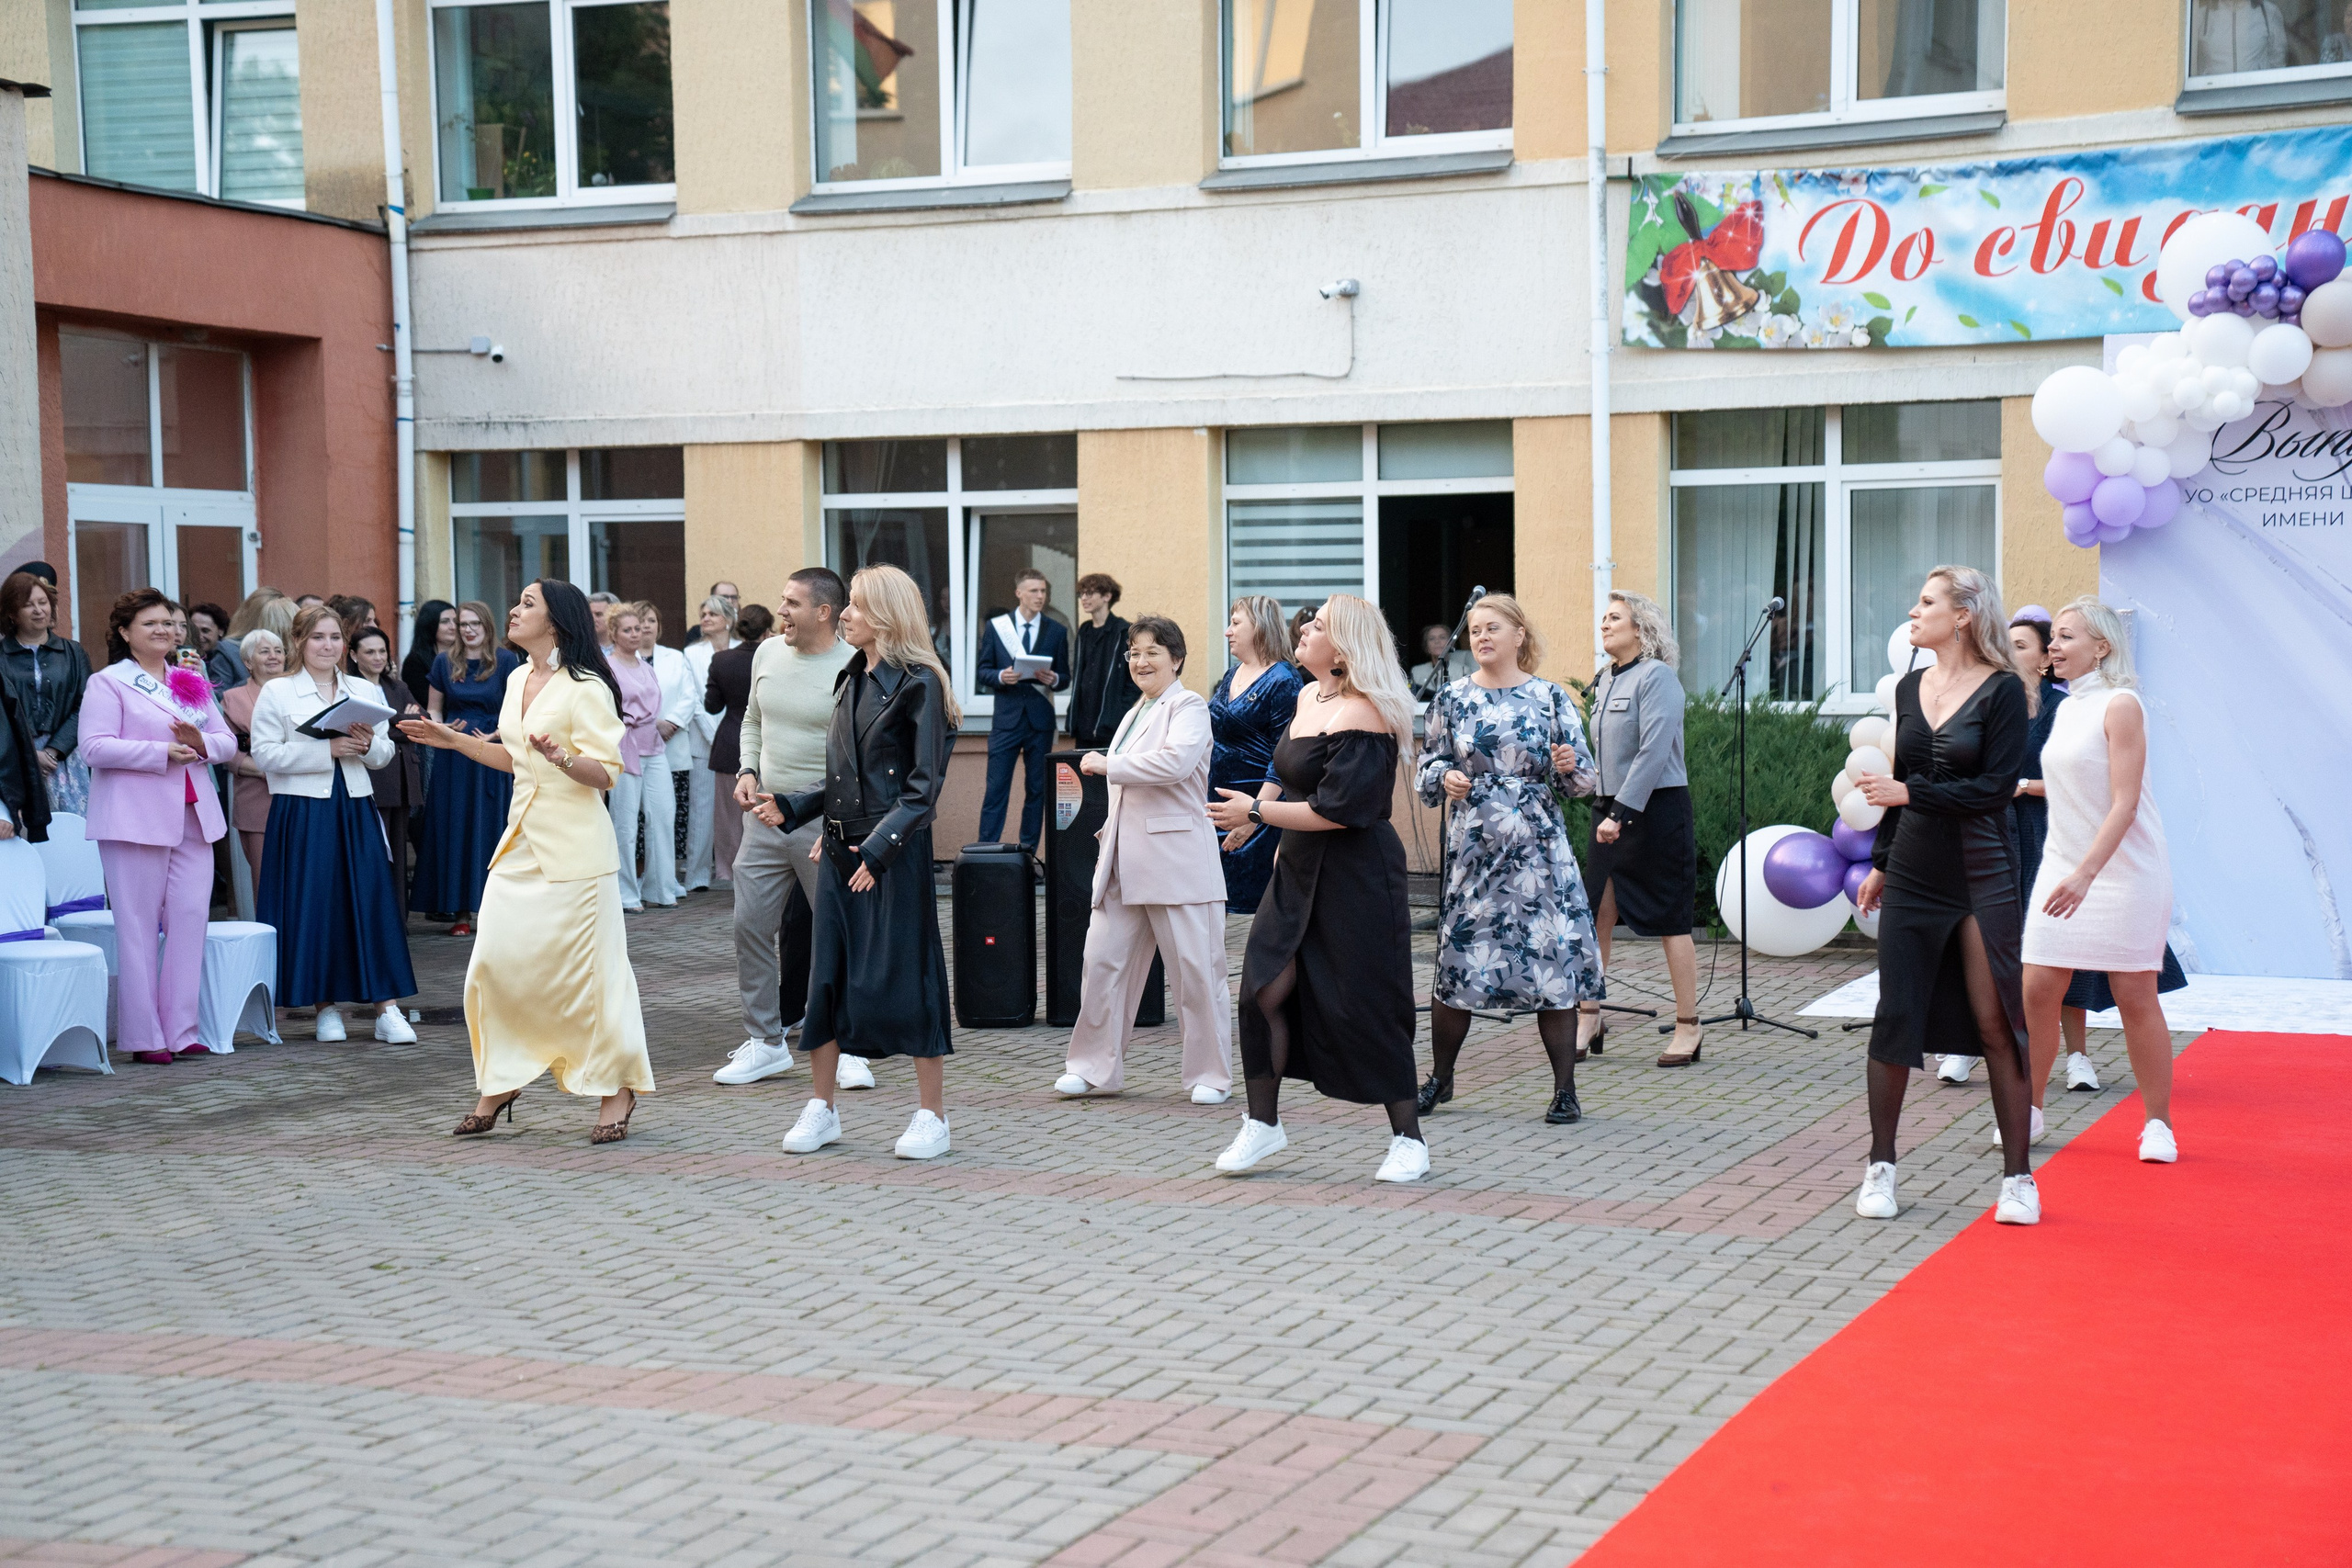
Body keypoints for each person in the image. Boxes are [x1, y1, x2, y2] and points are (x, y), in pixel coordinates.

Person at [401, 580, 651, 1145]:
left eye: (528, 604)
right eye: (515, 601)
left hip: (576, 853)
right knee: (492, 966)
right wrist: (453, 741)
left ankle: (617, 1089)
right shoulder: (516, 678)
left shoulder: (588, 686)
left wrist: (563, 756)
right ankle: (505, 1078)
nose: (514, 610)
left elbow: (605, 773)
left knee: (592, 979)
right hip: (518, 846)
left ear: (556, 621)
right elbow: (513, 759)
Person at [1207, 595, 1427, 1184]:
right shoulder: (1308, 696)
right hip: (1298, 868)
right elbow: (1285, 771)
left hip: (1356, 873)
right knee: (1261, 992)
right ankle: (1263, 1124)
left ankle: (1408, 1138)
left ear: (1345, 647)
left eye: (1320, 626)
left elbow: (1336, 810)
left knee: (1366, 1004)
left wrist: (1256, 811)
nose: (1304, 629)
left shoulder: (1368, 713)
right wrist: (1260, 816)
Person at [1852, 567, 2039, 1226]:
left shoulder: (2003, 692)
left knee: (1995, 1021)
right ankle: (1881, 1166)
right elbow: (1902, 778)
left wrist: (1913, 794)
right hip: (1912, 870)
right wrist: (1880, 860)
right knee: (1895, 1014)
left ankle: (2018, 1177)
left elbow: (1995, 790)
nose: (1914, 609)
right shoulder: (1908, 686)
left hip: (1982, 873)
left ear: (1962, 615)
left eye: (1927, 601)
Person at [773, 563, 958, 1160]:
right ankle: (822, 1108)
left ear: (885, 615)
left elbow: (921, 791)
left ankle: (933, 1115)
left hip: (892, 854)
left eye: (854, 605)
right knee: (826, 977)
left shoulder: (921, 683)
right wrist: (793, 807)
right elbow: (843, 777)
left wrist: (876, 849)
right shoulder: (851, 677)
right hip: (840, 850)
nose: (845, 614)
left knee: (911, 977)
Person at [1413, 594, 1605, 1124]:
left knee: (1551, 966)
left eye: (1492, 628)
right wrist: (1444, 777)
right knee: (1458, 964)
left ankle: (1565, 1090)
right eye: (1474, 630)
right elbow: (1425, 769)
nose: (1482, 637)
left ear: (1519, 635)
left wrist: (1567, 764)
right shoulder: (1451, 698)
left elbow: (1584, 782)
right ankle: (1441, 1079)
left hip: (1539, 853)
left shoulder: (1549, 699)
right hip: (1474, 853)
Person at [2000, 609, 2188, 1108]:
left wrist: (2086, 874)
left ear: (2102, 647)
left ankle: (2158, 1122)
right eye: (2053, 637)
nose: (2053, 646)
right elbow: (2065, 796)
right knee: (2036, 993)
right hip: (2062, 867)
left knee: (2135, 999)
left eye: (2066, 637)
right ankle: (2030, 1115)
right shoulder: (2065, 708)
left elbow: (2124, 803)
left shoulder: (2121, 704)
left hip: (2124, 874)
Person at [1059, 615, 1234, 1103]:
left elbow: (1175, 764)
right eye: (1134, 653)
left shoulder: (1190, 706)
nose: (1141, 661)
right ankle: (1093, 1069)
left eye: (1153, 652)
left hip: (1177, 861)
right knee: (1101, 964)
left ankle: (1210, 1076)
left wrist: (1109, 764)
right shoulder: (1137, 709)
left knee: (1197, 973)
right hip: (1121, 861)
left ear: (1176, 659)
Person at [78, 590, 237, 1065]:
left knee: (191, 921)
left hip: (194, 815)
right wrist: (159, 753)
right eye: (151, 624)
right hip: (134, 819)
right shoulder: (108, 683)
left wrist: (201, 743)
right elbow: (93, 747)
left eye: (168, 623)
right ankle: (144, 1035)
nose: (163, 631)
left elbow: (226, 741)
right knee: (138, 927)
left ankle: (182, 1028)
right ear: (125, 633)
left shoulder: (189, 680)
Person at [717, 570, 861, 1088]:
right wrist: (747, 770)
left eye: (792, 603)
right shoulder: (767, 654)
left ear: (824, 612)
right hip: (762, 817)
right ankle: (765, 1043)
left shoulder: (855, 666)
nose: (781, 612)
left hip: (825, 819)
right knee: (748, 926)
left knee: (838, 933)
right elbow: (752, 721)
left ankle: (849, 1046)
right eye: (781, 601)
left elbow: (863, 755)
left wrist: (840, 820)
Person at [250, 604, 418, 1045]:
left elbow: (384, 754)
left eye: (335, 638)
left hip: (355, 803)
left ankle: (387, 1009)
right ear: (299, 642)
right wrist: (327, 751)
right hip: (303, 809)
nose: (329, 646)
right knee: (317, 903)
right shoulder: (279, 692)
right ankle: (326, 1009)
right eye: (318, 637)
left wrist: (363, 746)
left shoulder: (362, 689)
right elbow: (265, 755)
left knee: (369, 899)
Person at [1582, 591, 1702, 1066]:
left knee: (1672, 918)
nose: (1605, 624)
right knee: (1598, 914)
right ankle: (1589, 1014)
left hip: (1655, 810)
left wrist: (1621, 814)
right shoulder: (1606, 678)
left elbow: (1653, 753)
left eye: (1615, 618)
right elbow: (1606, 754)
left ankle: (1688, 1026)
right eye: (1604, 618)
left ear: (1641, 629)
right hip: (1608, 807)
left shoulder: (1658, 678)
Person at [413, 601, 519, 936]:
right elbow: (434, 711)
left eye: (475, 623)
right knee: (455, 827)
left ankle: (498, 909)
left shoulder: (506, 660)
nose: (468, 630)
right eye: (462, 624)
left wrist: (496, 734)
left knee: (492, 826)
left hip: (493, 751)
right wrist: (443, 731)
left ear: (487, 626)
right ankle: (460, 911)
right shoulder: (444, 662)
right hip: (454, 755)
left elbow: (517, 709)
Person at [1206, 595, 1303, 916]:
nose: (1227, 632)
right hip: (1218, 809)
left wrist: (1254, 817)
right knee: (1210, 908)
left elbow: (1283, 756)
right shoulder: (1232, 674)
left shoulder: (1283, 679)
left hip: (1258, 813)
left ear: (1259, 627)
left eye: (1235, 624)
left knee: (1265, 913)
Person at [976, 568, 1070, 852]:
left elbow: (1064, 676)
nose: (1040, 596)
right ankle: (985, 853)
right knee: (996, 790)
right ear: (1019, 593)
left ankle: (1028, 854)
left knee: (1037, 791)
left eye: (1043, 591)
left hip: (1040, 721)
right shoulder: (996, 627)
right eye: (1034, 591)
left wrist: (1053, 679)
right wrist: (1000, 677)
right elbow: (982, 671)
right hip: (1006, 720)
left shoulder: (1057, 630)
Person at [1, 570, 92, 817]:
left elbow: (86, 706)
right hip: (13, 758)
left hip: (63, 757)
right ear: (11, 613)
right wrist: (30, 753)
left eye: (43, 603)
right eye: (28, 605)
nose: (39, 610)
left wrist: (53, 750)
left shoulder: (73, 652)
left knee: (71, 834)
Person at [350, 626, 425, 922]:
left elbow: (423, 720)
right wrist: (400, 719)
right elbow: (358, 729)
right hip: (372, 780)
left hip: (402, 779)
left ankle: (398, 923)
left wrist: (393, 724)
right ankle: (375, 921)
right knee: (373, 854)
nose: (378, 657)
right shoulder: (350, 687)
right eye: (370, 651)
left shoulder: (397, 686)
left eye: (382, 651)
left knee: (398, 855)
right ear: (354, 656)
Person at [605, 605, 673, 911]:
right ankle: (626, 893)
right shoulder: (607, 667)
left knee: (662, 817)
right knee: (625, 824)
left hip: (654, 746)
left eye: (638, 628)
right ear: (614, 634)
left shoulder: (646, 666)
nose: (636, 633)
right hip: (624, 747)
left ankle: (660, 888)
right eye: (628, 629)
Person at [704, 603, 771, 887]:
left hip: (731, 740)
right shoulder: (775, 657)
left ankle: (730, 874)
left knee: (730, 818)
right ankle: (765, 876)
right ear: (768, 631)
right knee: (768, 812)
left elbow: (711, 705)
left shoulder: (722, 660)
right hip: (769, 742)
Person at [636, 602, 696, 892]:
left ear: (659, 626)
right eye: (640, 621)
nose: (646, 626)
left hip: (671, 745)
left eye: (651, 620)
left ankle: (666, 877)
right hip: (635, 747)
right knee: (636, 818)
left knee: (668, 814)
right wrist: (651, 724)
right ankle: (640, 876)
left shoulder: (675, 657)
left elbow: (689, 695)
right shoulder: (623, 659)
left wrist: (669, 723)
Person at [681, 594, 737, 891]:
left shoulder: (743, 651)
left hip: (740, 740)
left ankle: (739, 871)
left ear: (728, 618)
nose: (705, 619)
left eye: (712, 614)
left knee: (742, 810)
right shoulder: (692, 654)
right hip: (704, 744)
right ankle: (697, 875)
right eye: (703, 614)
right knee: (702, 809)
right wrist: (717, 737)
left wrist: (732, 737)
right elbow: (696, 701)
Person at [221, 627, 284, 886]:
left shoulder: (300, 692)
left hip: (303, 798)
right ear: (248, 662)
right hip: (258, 801)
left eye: (278, 651)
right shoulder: (233, 699)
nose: (273, 656)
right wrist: (263, 769)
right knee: (266, 882)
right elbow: (226, 751)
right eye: (264, 651)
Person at [1068, 572, 1141, 749]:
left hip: (1110, 725)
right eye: (1081, 594)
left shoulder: (1124, 631)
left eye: (1090, 593)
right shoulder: (1084, 631)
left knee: (1106, 774)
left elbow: (1135, 678)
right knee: (1083, 773)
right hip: (1083, 724)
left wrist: (1118, 711)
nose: (1084, 598)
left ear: (1107, 596)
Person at [401, 599, 457, 708]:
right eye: (445, 621)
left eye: (456, 621)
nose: (453, 627)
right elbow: (425, 702)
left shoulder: (467, 655)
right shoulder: (415, 662)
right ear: (430, 624)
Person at [188, 603, 244, 693]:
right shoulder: (183, 657)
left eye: (205, 631)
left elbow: (219, 696)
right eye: (193, 630)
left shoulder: (225, 657)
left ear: (221, 631)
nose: (198, 636)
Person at [1408, 623, 1474, 699]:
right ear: (1426, 646)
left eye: (1442, 637)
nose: (1437, 642)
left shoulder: (1463, 671)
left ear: (1451, 644)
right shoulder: (1416, 671)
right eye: (1432, 638)